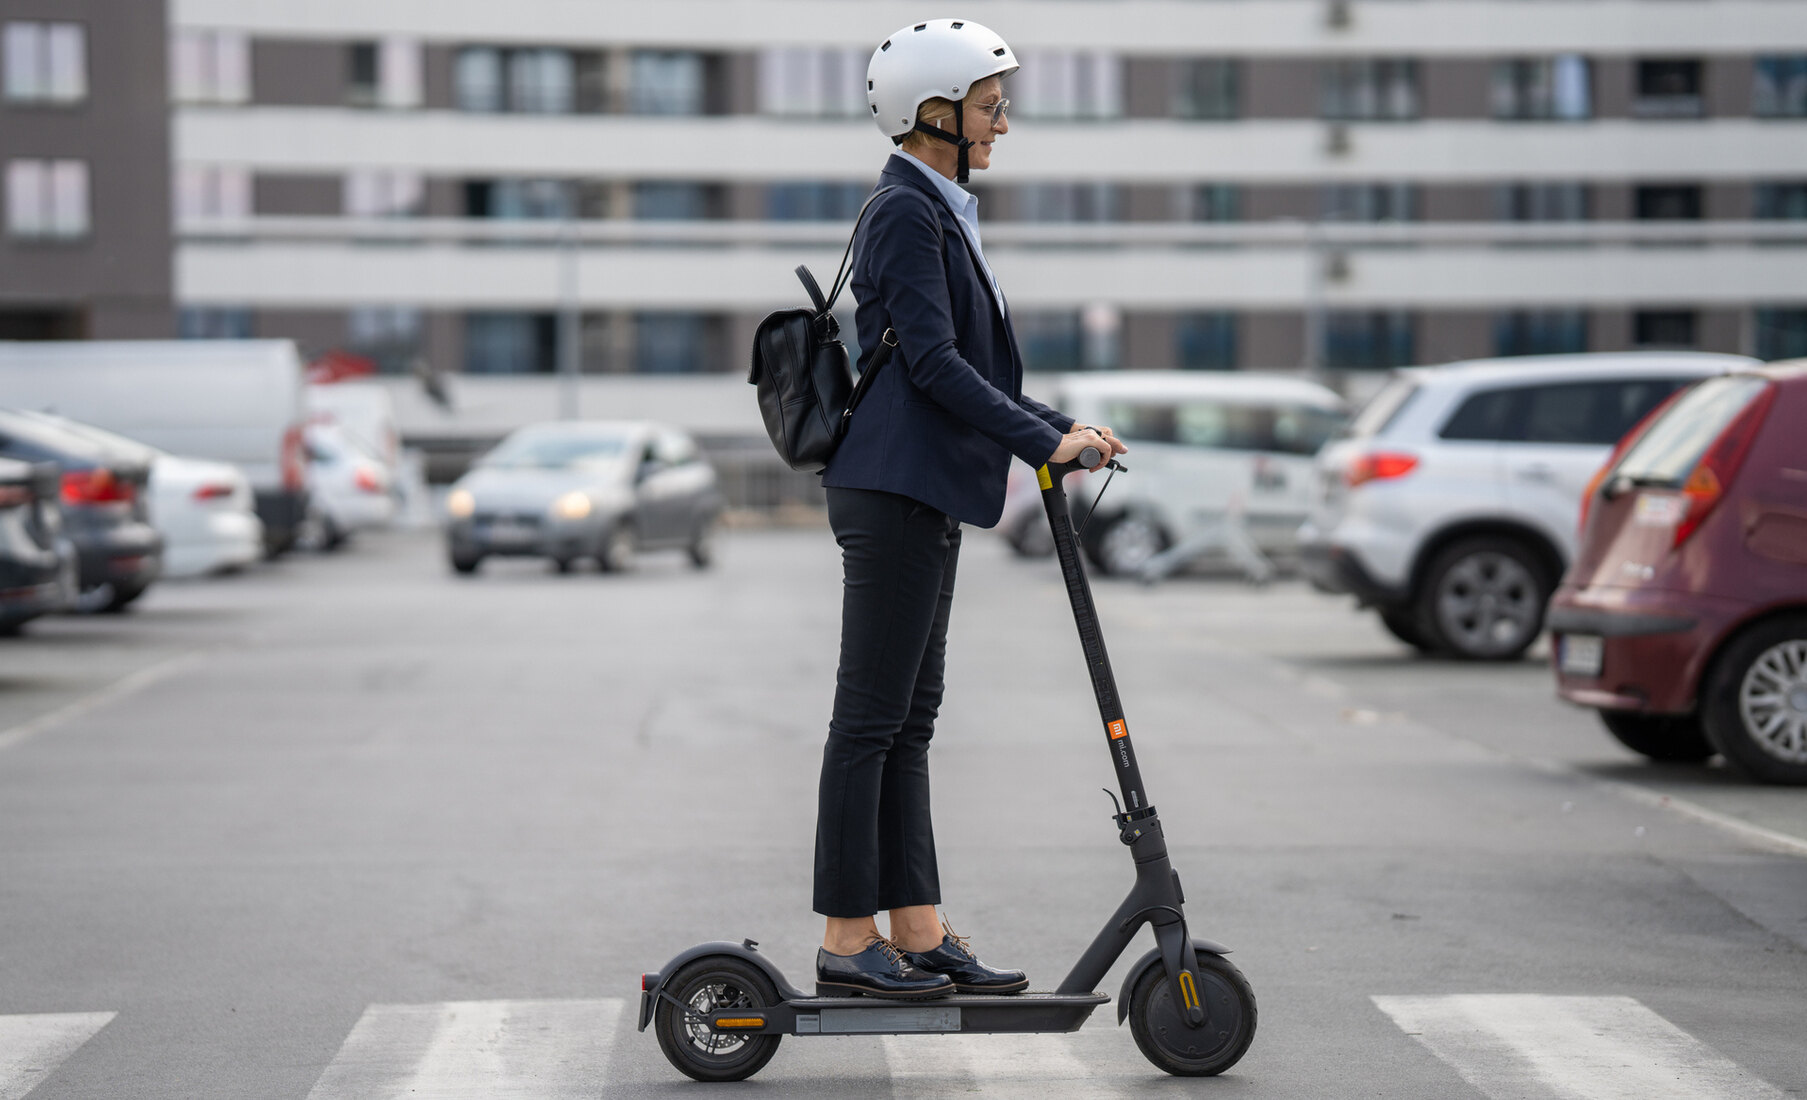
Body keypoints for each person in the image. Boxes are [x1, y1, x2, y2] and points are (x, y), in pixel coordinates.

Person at [811, 18, 1129, 1000]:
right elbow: (935, 364)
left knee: (909, 720)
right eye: (990, 107)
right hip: (895, 486)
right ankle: (845, 939)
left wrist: (1060, 423)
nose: (1003, 122)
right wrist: (1040, 440)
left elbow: (966, 366)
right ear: (934, 114)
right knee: (870, 720)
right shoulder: (904, 209)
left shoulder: (936, 203)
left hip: (923, 486)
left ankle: (916, 927)